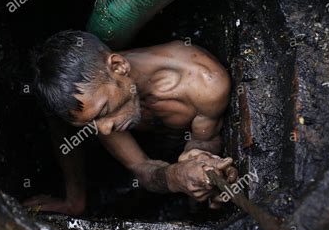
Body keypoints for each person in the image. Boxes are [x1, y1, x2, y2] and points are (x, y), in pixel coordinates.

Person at [25, 30, 237, 215]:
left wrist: (198, 157)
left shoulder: (206, 84)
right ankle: (76, 199)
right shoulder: (98, 102)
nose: (105, 130)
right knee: (58, 121)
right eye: (90, 124)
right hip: (150, 146)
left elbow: (205, 138)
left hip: (174, 138)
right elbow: (141, 167)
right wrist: (177, 176)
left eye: (104, 111)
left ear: (118, 66)